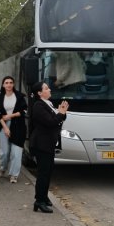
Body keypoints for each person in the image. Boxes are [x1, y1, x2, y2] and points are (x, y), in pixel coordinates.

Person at [30, 82, 69, 213]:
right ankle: (39, 201)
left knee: (48, 172)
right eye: (46, 88)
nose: (49, 89)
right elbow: (50, 122)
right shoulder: (38, 106)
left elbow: (57, 119)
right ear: (39, 93)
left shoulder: (48, 103)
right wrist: (61, 113)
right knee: (43, 173)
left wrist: (62, 112)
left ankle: (44, 197)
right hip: (42, 144)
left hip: (48, 143)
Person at [0, 76, 27, 183]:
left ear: (13, 84)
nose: (9, 84)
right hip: (3, 125)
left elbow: (24, 111)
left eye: (11, 82)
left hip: (18, 126)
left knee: (16, 152)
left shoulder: (19, 96)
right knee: (5, 152)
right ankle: (3, 167)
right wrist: (5, 127)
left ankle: (14, 174)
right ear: (3, 85)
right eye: (6, 82)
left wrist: (10, 116)